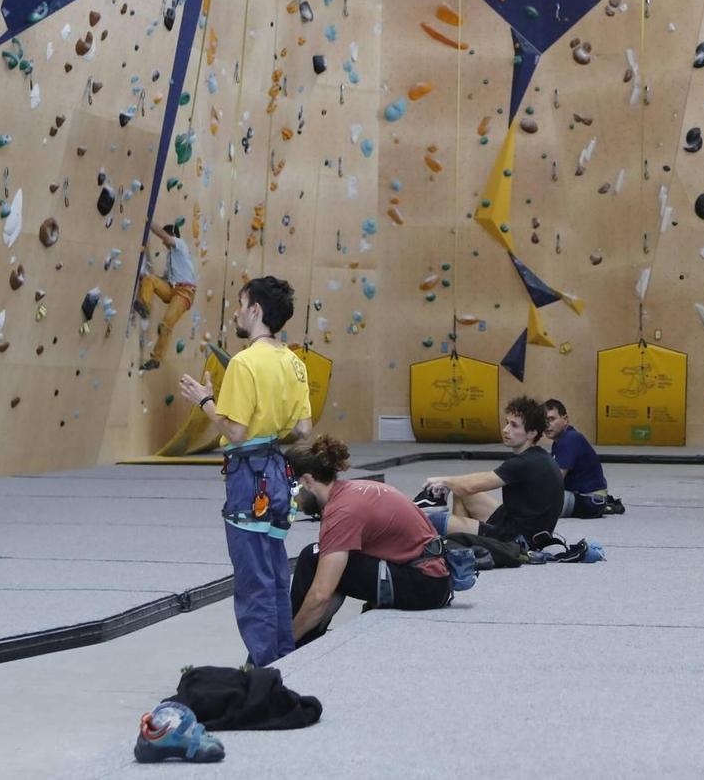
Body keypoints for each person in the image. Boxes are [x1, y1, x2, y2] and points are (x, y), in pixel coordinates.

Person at [176, 276, 311, 668]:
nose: (235, 311)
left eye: (240, 303)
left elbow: (234, 431)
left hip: (249, 480)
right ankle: (283, 657)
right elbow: (303, 430)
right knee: (273, 572)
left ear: (255, 310)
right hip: (277, 475)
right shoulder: (295, 363)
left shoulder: (244, 362)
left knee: (254, 580)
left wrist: (204, 401)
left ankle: (266, 667)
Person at [284, 435, 453, 645]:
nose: (291, 500)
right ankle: (304, 640)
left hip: (426, 585)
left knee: (314, 559)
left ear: (307, 481)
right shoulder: (350, 490)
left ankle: (291, 647)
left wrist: (283, 644)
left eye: (290, 489)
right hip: (431, 576)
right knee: (324, 558)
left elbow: (321, 595)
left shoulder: (341, 512)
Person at [423, 397, 566, 548]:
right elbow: (468, 486)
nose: (505, 430)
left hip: (518, 539)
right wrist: (451, 483)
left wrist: (443, 481)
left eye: (514, 426)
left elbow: (472, 486)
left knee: (435, 520)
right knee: (461, 492)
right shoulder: (537, 456)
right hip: (521, 525)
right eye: (507, 423)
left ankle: (460, 543)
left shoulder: (524, 463)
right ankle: (463, 543)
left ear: (531, 433)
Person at [134, 220, 198, 371]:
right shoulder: (171, 257)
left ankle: (156, 359)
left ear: (172, 236)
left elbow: (164, 236)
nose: (163, 244)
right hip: (172, 289)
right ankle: (144, 306)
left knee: (166, 324)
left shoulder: (180, 244)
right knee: (150, 280)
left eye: (165, 240)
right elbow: (163, 280)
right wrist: (145, 277)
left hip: (185, 293)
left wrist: (149, 221)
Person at [543, 399, 622, 517]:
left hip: (590, 501)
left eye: (552, 419)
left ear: (565, 420)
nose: (547, 425)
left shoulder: (569, 439)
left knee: (534, 503)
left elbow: (555, 480)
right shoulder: (563, 439)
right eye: (543, 421)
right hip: (590, 498)